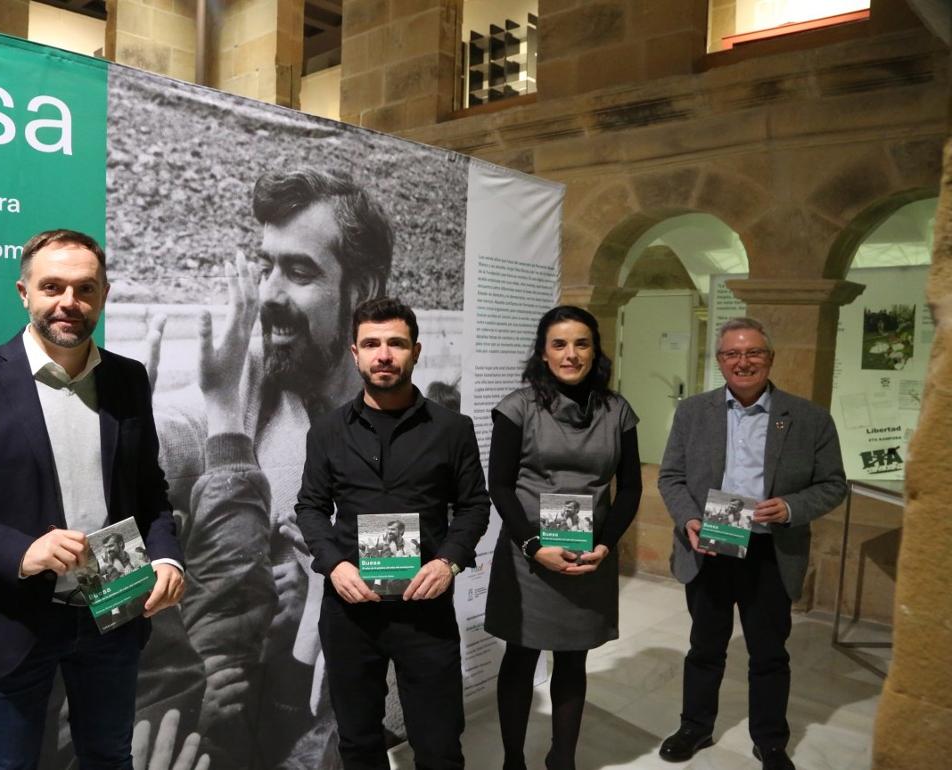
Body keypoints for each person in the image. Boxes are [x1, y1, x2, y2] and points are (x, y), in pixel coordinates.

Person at [0, 228, 186, 770]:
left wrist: (168, 557)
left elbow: (149, 491)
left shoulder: (128, 379)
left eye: (85, 288)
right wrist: (21, 551)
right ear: (24, 292)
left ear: (103, 294)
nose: (69, 302)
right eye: (52, 286)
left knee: (109, 757)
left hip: (113, 606)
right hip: (10, 618)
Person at [147, 167, 397, 764]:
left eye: (300, 272)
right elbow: (172, 437)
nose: (268, 295)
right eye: (267, 267)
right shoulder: (236, 386)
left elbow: (395, 606)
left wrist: (318, 602)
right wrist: (105, 450)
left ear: (363, 291)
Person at [295, 297, 490, 770]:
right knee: (358, 742)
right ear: (355, 353)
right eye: (371, 344)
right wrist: (334, 565)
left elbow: (474, 506)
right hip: (350, 609)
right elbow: (311, 508)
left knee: (439, 745)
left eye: (396, 343)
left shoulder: (453, 429)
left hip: (424, 608)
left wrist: (449, 562)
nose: (383, 355)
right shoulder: (326, 431)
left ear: (416, 351)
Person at [657, 317, 846, 770]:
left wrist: (791, 507)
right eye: (732, 354)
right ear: (720, 360)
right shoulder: (693, 412)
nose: (743, 362)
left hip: (770, 551)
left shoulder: (810, 418)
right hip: (710, 544)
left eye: (753, 352)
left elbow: (834, 484)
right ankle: (695, 726)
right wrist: (690, 519)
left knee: (769, 652)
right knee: (705, 646)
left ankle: (771, 741)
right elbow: (671, 477)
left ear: (770, 358)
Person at [484, 305, 642, 770]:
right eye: (559, 344)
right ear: (543, 353)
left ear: (595, 351)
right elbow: (500, 485)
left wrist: (605, 544)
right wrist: (533, 547)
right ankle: (513, 760)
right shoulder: (517, 408)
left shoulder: (617, 411)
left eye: (581, 343)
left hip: (589, 555)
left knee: (573, 659)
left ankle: (563, 759)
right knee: (521, 656)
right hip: (529, 555)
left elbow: (631, 487)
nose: (571, 354)